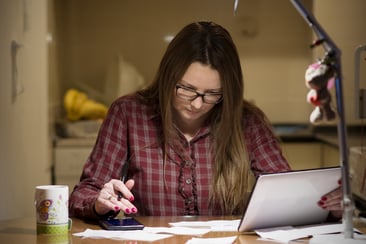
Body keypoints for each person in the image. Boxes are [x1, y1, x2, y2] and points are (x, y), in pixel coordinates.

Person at [69, 21, 342, 219]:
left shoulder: (246, 120)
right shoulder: (128, 112)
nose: (197, 104)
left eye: (213, 94)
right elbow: (83, 194)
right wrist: (99, 201)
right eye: (186, 89)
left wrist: (327, 206)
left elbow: (286, 191)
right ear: (167, 77)